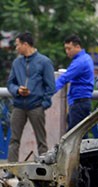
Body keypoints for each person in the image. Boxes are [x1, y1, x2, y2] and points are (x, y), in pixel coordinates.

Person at [6, 32, 55, 164]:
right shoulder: (17, 63)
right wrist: (17, 90)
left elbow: (50, 86)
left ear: (25, 44)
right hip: (18, 106)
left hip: (36, 106)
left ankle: (44, 168)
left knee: (41, 140)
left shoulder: (44, 62)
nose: (16, 48)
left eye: (18, 45)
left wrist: (43, 104)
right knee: (14, 139)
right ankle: (10, 169)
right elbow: (10, 83)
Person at [55, 35, 96, 137]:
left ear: (77, 47)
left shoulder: (80, 62)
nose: (67, 52)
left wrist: (47, 92)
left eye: (69, 48)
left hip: (79, 102)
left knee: (74, 136)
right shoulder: (85, 58)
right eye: (66, 49)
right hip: (80, 101)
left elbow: (65, 78)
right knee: (80, 134)